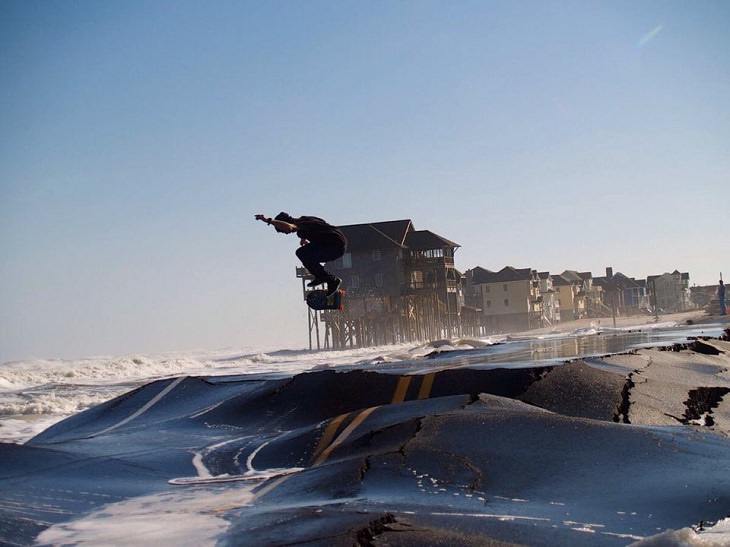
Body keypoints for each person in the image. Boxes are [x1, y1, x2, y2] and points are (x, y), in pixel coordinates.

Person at [255, 212, 346, 296]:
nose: (286, 233)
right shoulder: (305, 219)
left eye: (282, 231)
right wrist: (304, 238)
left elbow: (289, 227)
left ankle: (331, 279)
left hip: (335, 247)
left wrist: (268, 220)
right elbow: (321, 223)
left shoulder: (301, 224)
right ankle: (322, 277)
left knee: (306, 256)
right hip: (337, 240)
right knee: (301, 252)